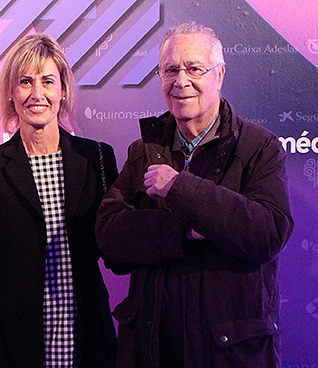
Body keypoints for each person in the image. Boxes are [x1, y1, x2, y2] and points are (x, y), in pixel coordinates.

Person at [95, 22, 294, 367]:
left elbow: (267, 234)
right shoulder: (144, 149)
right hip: (151, 349)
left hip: (229, 353)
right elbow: (109, 236)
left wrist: (180, 188)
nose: (181, 81)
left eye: (194, 68)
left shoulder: (259, 146)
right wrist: (184, 232)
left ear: (219, 75)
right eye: (170, 70)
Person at [0, 34, 118, 368]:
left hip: (87, 339)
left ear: (62, 90)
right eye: (25, 82)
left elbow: (118, 252)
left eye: (47, 81)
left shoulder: (97, 159)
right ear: (10, 92)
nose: (37, 94)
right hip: (18, 345)